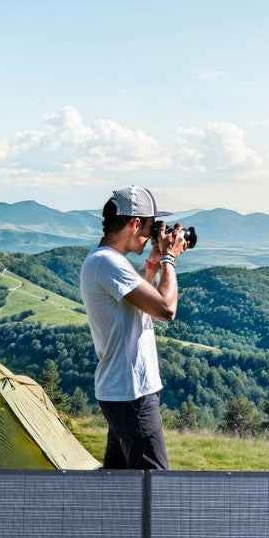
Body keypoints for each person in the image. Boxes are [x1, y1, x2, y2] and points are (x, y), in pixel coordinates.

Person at [79, 186, 188, 470]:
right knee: (152, 485)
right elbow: (165, 309)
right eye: (151, 227)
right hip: (132, 394)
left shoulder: (105, 261)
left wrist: (152, 265)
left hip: (123, 391)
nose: (154, 235)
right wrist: (169, 260)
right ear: (135, 223)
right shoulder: (107, 262)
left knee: (119, 483)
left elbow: (138, 303)